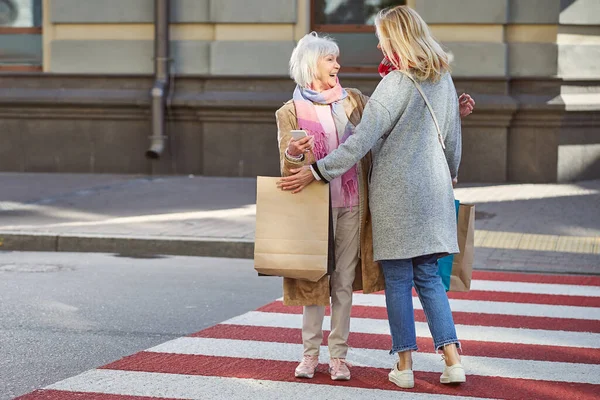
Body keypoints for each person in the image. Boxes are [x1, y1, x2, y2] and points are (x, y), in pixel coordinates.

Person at [278, 6, 467, 389]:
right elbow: (452, 141)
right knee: (429, 277)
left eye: (381, 36)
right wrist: (450, 174)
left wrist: (319, 170)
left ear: (395, 39)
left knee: (398, 279)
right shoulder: (443, 79)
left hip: (396, 197)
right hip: (434, 193)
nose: (378, 43)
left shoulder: (393, 83)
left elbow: (361, 139)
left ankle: (405, 366)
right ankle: (452, 361)